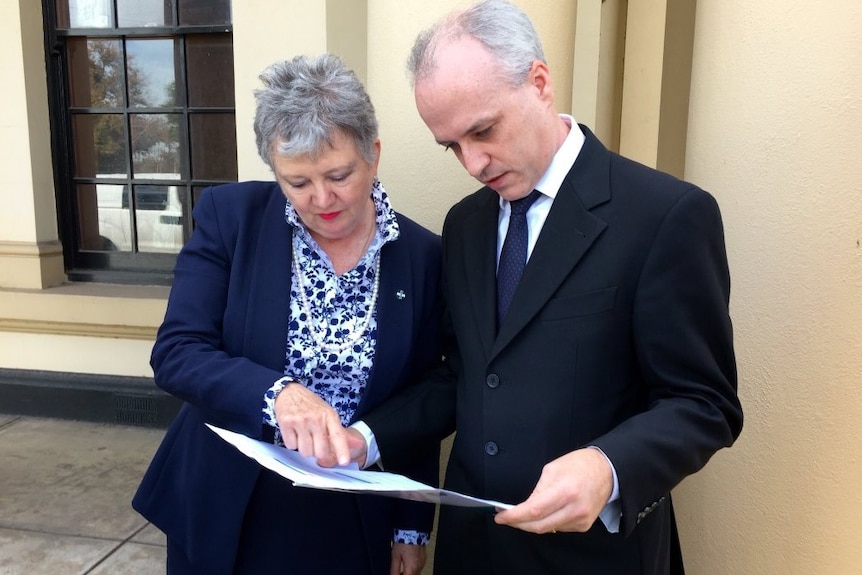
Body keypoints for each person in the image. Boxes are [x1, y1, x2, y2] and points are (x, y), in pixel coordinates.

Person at [309, 1, 744, 574]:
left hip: (594, 558)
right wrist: (367, 437)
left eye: (483, 130)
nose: (472, 162)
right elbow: (463, 375)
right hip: (473, 550)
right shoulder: (465, 225)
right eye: (452, 146)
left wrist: (606, 466)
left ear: (539, 83)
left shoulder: (665, 215)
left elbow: (704, 403)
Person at [132, 54, 443, 575]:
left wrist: (410, 526)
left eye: (339, 175)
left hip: (350, 509)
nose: (322, 199)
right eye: (297, 182)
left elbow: (424, 393)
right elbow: (177, 353)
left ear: (373, 155)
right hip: (227, 498)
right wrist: (277, 394)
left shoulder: (423, 256)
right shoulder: (231, 219)